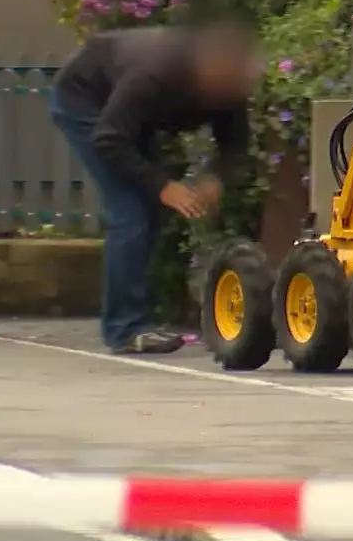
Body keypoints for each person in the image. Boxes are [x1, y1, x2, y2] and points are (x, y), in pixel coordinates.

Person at [49, 22, 257, 355]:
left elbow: (236, 145)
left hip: (132, 116)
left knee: (150, 209)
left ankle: (140, 315)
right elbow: (110, 138)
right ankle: (124, 329)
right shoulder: (155, 74)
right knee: (131, 212)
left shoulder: (227, 86)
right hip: (85, 101)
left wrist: (216, 178)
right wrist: (163, 186)